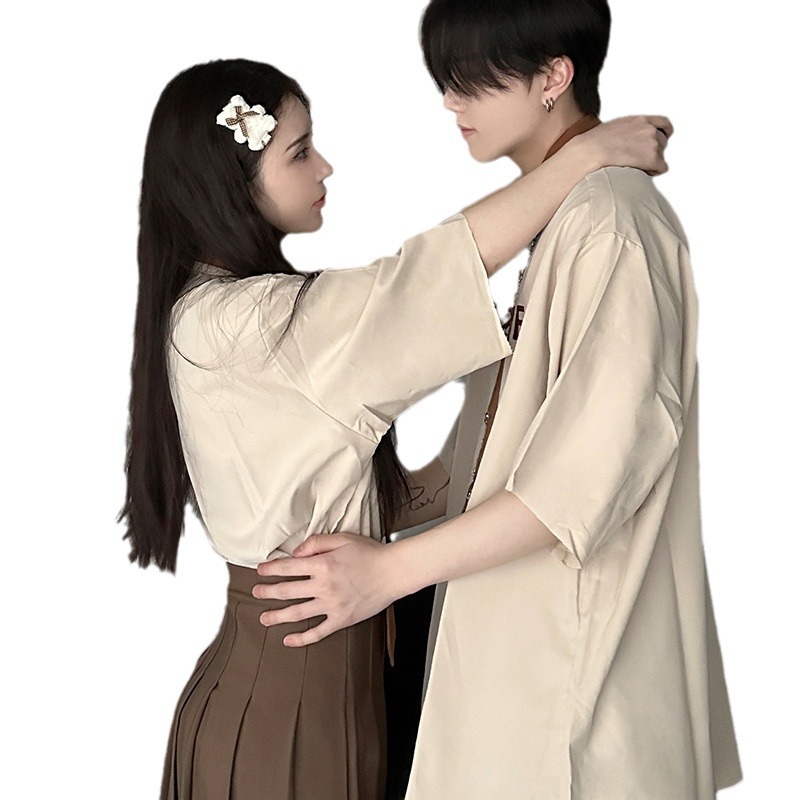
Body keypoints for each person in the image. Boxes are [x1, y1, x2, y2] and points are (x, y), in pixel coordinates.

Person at [119, 57, 668, 800]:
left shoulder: (219, 314)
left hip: (313, 693)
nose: (325, 166)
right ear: (231, 182)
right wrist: (584, 156)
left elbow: (348, 502)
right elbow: (420, 283)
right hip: (287, 713)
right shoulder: (243, 324)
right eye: (300, 152)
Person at [251, 2, 743, 799]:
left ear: (554, 77)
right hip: (516, 659)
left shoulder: (613, 224)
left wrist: (387, 573)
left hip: (574, 685)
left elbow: (579, 483)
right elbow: (493, 450)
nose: (451, 101)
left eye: (472, 80)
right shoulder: (568, 214)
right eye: (445, 80)